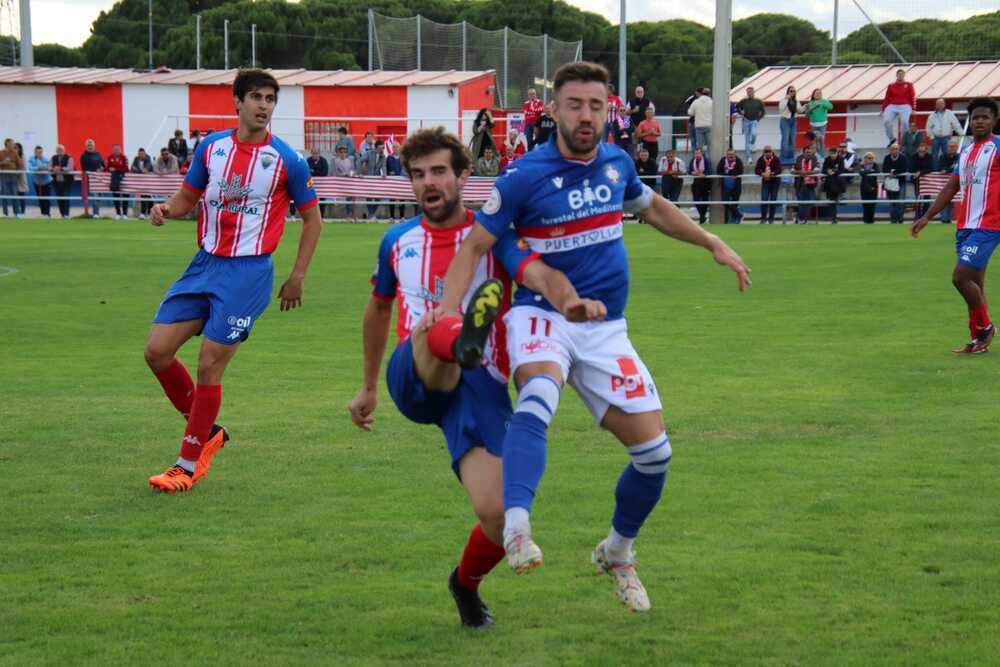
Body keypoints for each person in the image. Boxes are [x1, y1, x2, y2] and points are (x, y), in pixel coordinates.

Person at [432, 61, 751, 613]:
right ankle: (517, 526)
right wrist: (443, 310)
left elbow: (652, 208)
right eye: (575, 105)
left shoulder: (616, 163)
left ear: (609, 111)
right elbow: (474, 247)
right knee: (537, 397)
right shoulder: (524, 176)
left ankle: (617, 552)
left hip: (606, 330)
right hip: (541, 316)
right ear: (553, 108)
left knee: (654, 456)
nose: (586, 116)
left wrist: (711, 243)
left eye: (596, 106)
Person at [349, 127, 605, 629]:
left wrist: (568, 300)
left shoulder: (493, 240)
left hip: (479, 385)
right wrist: (367, 386)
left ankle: (464, 585)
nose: (429, 183)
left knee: (496, 513)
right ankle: (457, 333)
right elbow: (378, 309)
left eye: (439, 171)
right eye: (418, 174)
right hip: (415, 370)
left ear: (464, 176)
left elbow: (536, 273)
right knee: (433, 327)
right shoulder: (396, 241)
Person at [143, 69, 322, 493]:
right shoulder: (211, 148)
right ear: (237, 102)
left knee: (209, 363)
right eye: (257, 97)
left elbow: (313, 219)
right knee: (157, 352)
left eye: (271, 99)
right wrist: (166, 208)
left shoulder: (287, 160)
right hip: (204, 265)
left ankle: (186, 466)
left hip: (248, 273)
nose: (264, 106)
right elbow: (187, 198)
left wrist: (297, 276)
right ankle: (208, 431)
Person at [912, 97, 999, 354]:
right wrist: (927, 216)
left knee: (960, 277)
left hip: (989, 224)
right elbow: (952, 187)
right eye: (975, 118)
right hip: (965, 226)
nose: (979, 121)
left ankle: (986, 328)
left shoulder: (997, 146)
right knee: (975, 284)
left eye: (985, 117)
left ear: (994, 120)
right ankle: (978, 340)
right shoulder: (966, 152)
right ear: (969, 122)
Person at [882, 68, 916, 147]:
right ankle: (891, 139)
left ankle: (903, 141)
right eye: (899, 74)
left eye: (902, 74)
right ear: (896, 75)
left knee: (904, 122)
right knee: (887, 121)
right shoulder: (891, 85)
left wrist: (914, 108)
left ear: (904, 75)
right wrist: (883, 109)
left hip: (905, 105)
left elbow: (913, 96)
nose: (900, 76)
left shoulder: (909, 84)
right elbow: (887, 97)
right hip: (893, 105)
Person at [926, 98, 963, 169]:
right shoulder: (932, 115)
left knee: (947, 155)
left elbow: (956, 124)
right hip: (935, 138)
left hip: (946, 137)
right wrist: (931, 137)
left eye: (941, 103)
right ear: (936, 105)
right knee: (934, 155)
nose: (939, 105)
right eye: (938, 104)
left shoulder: (949, 113)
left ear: (944, 104)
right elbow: (928, 127)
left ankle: (946, 169)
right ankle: (935, 170)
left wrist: (961, 133)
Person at [736, 86, 765, 164]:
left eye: (750, 92)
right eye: (748, 92)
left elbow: (763, 111)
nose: (749, 93)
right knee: (746, 140)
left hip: (754, 121)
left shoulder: (758, 101)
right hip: (746, 121)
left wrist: (758, 119)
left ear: (753, 92)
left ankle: (752, 144)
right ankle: (749, 157)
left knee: (754, 134)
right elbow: (737, 107)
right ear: (747, 93)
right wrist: (740, 112)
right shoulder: (744, 101)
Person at [360, 139, 387, 220]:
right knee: (368, 197)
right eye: (380, 148)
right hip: (368, 179)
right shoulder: (368, 153)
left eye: (383, 148)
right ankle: (371, 215)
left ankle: (371, 214)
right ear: (376, 148)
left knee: (378, 198)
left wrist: (384, 174)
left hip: (377, 180)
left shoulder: (383, 156)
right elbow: (361, 160)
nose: (382, 149)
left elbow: (384, 166)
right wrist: (363, 165)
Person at [793, 145, 820, 224]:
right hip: (800, 184)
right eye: (807, 152)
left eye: (810, 152)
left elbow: (818, 170)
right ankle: (801, 219)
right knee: (801, 203)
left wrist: (807, 172)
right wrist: (800, 172)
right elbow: (792, 171)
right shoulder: (798, 159)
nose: (809, 154)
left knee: (811, 201)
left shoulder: (815, 159)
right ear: (803, 153)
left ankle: (799, 217)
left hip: (811, 185)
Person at [801, 90, 833, 158]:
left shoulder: (824, 101)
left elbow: (831, 107)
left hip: (822, 124)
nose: (818, 94)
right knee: (814, 142)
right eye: (816, 93)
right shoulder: (810, 103)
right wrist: (813, 108)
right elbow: (806, 114)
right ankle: (815, 157)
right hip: (813, 125)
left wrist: (823, 104)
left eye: (819, 93)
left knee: (821, 141)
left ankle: (821, 157)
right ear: (813, 95)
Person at [755, 145, 782, 224]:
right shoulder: (760, 159)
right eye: (766, 151)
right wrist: (762, 174)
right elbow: (756, 170)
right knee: (764, 199)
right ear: (763, 152)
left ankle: (771, 219)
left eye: (769, 151)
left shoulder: (776, 159)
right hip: (766, 182)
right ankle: (763, 218)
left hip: (775, 182)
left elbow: (779, 170)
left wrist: (771, 173)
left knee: (773, 200)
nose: (767, 153)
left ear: (772, 151)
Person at [821, 145, 847, 223]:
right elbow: (823, 170)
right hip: (830, 185)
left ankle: (840, 195)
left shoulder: (841, 159)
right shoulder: (827, 159)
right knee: (831, 202)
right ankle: (834, 218)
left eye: (833, 153)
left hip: (838, 184)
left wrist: (833, 172)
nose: (832, 155)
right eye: (831, 153)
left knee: (833, 201)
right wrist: (828, 171)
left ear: (837, 153)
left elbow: (842, 170)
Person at [882, 143, 907, 224]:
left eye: (896, 149)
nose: (894, 150)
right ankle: (893, 219)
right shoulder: (887, 158)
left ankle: (900, 219)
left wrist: (894, 172)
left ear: (899, 150)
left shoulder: (903, 158)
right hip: (890, 183)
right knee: (892, 202)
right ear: (890, 150)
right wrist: (892, 172)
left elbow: (904, 168)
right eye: (893, 149)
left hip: (900, 183)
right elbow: (884, 168)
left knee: (900, 202)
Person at [717, 148, 744, 224]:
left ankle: (735, 220)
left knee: (735, 203)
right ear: (726, 154)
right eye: (729, 154)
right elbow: (718, 171)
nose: (730, 156)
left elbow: (740, 171)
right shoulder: (723, 160)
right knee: (725, 202)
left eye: (732, 154)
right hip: (725, 186)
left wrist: (730, 172)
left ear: (735, 154)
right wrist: (727, 174)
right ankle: (739, 215)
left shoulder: (738, 161)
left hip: (736, 186)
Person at [80, 139, 106, 217]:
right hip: (89, 179)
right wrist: (95, 170)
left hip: (98, 179)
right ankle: (91, 213)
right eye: (88, 145)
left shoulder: (98, 154)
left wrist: (101, 168)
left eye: (91, 145)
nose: (90, 147)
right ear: (86, 146)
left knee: (99, 195)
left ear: (94, 146)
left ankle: (96, 212)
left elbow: (103, 164)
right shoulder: (83, 156)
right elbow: (84, 167)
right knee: (90, 195)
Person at [938, 139, 961, 223]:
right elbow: (940, 168)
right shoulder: (942, 157)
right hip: (944, 183)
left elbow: (958, 168)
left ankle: (950, 218)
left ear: (957, 147)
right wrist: (950, 168)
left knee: (955, 201)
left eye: (953, 146)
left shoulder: (960, 156)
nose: (951, 148)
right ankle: (944, 219)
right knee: (944, 200)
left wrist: (947, 170)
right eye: (950, 146)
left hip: (956, 184)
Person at [910, 142, 935, 219]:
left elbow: (930, 168)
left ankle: (925, 217)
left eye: (923, 151)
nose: (921, 153)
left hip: (927, 182)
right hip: (917, 182)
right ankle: (917, 216)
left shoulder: (929, 157)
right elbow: (911, 168)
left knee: (927, 200)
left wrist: (920, 172)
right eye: (920, 151)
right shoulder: (913, 157)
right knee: (917, 199)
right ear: (917, 150)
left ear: (926, 151)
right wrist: (918, 173)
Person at [332, 145, 356, 221]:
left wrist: (351, 174)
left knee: (352, 198)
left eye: (344, 152)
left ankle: (351, 215)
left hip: (349, 182)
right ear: (338, 153)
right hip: (340, 183)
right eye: (341, 152)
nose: (343, 153)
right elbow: (335, 172)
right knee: (346, 200)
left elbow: (352, 170)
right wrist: (344, 174)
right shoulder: (336, 161)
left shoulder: (349, 160)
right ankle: (347, 215)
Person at [50, 144, 74, 218]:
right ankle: (62, 214)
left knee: (66, 198)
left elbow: (70, 168)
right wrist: (53, 169)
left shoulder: (69, 158)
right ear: (56, 151)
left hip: (67, 182)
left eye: (61, 150)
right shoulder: (53, 158)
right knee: (59, 199)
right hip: (56, 182)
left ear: (64, 150)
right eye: (58, 150)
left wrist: (60, 168)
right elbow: (49, 166)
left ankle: (66, 214)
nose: (59, 151)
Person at [689, 147, 712, 224]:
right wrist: (693, 173)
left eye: (698, 153)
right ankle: (703, 217)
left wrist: (702, 174)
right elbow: (689, 170)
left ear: (702, 153)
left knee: (705, 200)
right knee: (696, 200)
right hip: (696, 183)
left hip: (706, 183)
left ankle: (702, 218)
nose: (697, 155)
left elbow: (709, 171)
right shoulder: (693, 160)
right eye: (696, 153)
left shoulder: (706, 160)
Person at [29, 146, 53, 217]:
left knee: (46, 198)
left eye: (40, 152)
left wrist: (40, 168)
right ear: (35, 152)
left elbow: (48, 167)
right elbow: (30, 168)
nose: (39, 153)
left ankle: (47, 213)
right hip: (37, 182)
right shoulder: (31, 159)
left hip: (47, 181)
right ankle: (43, 213)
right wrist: (39, 167)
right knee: (40, 198)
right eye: (37, 152)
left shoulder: (46, 159)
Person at [107, 144, 130, 220]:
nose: (116, 151)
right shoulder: (110, 157)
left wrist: (116, 169)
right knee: (116, 196)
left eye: (118, 149)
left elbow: (126, 168)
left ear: (120, 150)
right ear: (113, 150)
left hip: (124, 179)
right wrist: (112, 169)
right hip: (114, 180)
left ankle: (125, 213)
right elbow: (108, 167)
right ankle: (118, 213)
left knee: (125, 196)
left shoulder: (124, 158)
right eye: (115, 149)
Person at [131, 147, 154, 219]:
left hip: (148, 181)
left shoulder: (148, 158)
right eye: (139, 154)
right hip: (139, 182)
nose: (141, 155)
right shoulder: (136, 159)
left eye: (142, 154)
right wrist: (140, 171)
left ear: (145, 154)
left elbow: (148, 167)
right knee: (143, 196)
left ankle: (149, 212)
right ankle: (143, 213)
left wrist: (142, 170)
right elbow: (133, 168)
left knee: (149, 197)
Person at [857, 152, 879, 224]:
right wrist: (870, 171)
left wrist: (866, 172)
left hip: (873, 188)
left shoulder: (875, 165)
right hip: (864, 188)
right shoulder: (862, 165)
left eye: (871, 158)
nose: (869, 160)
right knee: (865, 205)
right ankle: (865, 220)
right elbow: (861, 173)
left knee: (872, 205)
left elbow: (877, 171)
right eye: (867, 158)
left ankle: (871, 220)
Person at [777, 86, 798, 162]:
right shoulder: (783, 100)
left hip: (794, 120)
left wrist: (806, 107)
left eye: (794, 91)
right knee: (785, 139)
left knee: (792, 140)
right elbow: (781, 108)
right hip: (785, 120)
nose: (792, 92)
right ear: (788, 92)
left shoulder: (796, 101)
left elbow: (800, 110)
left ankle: (791, 157)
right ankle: (783, 157)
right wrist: (786, 99)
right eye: (791, 91)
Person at [0, 138, 19, 217]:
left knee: (15, 194)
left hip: (13, 176)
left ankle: (16, 213)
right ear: (7, 144)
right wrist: (3, 162)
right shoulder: (1, 153)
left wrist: (17, 153)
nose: (13, 145)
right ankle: (5, 213)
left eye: (13, 144)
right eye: (11, 144)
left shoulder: (15, 153)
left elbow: (19, 164)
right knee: (4, 195)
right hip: (4, 176)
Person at [14, 143, 28, 214]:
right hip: (13, 178)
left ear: (20, 149)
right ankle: (17, 212)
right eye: (14, 147)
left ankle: (23, 212)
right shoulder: (12, 156)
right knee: (15, 197)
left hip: (21, 179)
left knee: (21, 196)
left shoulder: (22, 156)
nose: (15, 149)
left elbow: (24, 167)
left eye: (16, 148)